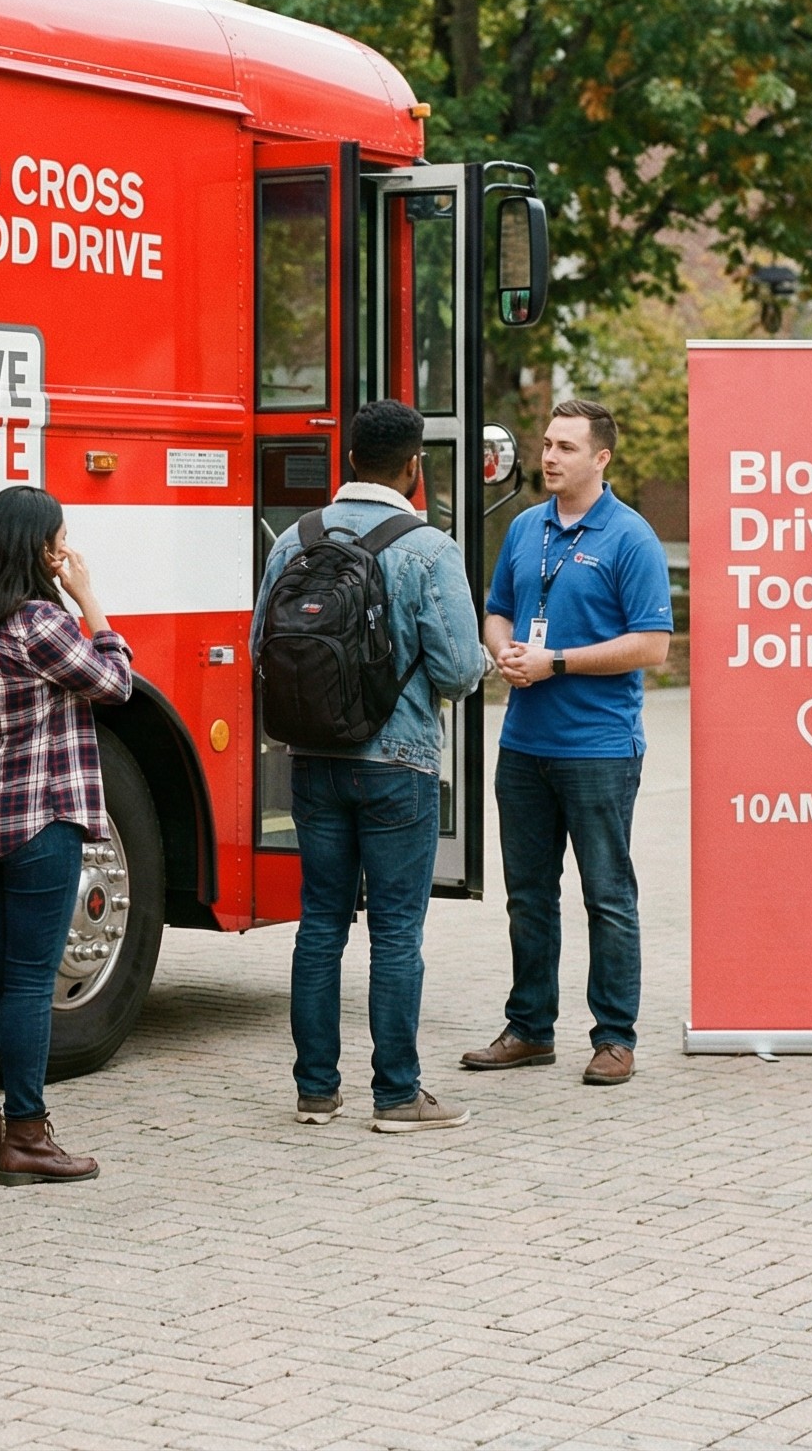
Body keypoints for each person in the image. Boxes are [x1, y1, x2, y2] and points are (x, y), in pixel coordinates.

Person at [253, 399, 487, 1132]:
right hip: (399, 765)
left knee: (320, 925)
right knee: (395, 933)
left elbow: (264, 643)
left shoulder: (293, 540)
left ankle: (316, 1090)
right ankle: (396, 1096)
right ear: (415, 466)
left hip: (314, 760)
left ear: (349, 459)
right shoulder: (428, 547)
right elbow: (456, 671)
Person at [463, 399, 674, 1086]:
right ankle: (530, 1029)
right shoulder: (526, 528)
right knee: (528, 894)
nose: (550, 457)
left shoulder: (631, 538)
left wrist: (558, 662)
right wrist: (504, 652)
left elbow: (653, 646)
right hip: (524, 744)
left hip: (599, 746)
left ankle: (614, 1037)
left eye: (567, 448)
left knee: (607, 895)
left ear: (601, 459)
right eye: (548, 444)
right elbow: (496, 611)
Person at [0, 485, 132, 1184]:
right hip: (39, 820)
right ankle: (28, 1134)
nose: (64, 549)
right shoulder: (41, 622)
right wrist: (91, 602)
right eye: (59, 539)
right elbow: (115, 684)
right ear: (41, 549)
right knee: (27, 980)